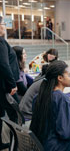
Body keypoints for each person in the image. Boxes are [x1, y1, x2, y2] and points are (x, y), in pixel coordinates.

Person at [30, 60, 70, 151]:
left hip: (40, 143)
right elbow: (66, 134)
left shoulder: (39, 95)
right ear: (60, 78)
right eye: (69, 75)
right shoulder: (61, 98)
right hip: (54, 147)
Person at [0, 16, 20, 149]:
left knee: (1, 114)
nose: (4, 26)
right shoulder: (1, 42)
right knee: (15, 116)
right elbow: (4, 65)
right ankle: (15, 144)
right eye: (2, 23)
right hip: (6, 87)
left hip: (2, 86)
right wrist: (12, 84)